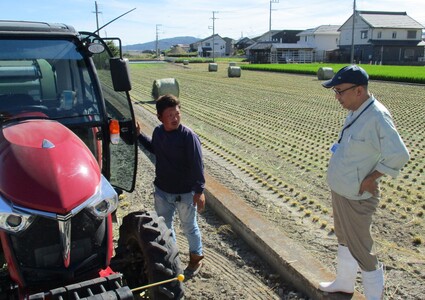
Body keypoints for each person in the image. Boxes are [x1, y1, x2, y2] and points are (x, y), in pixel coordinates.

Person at [319, 65, 409, 299]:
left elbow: (399, 154)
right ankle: (344, 283)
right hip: (342, 190)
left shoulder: (377, 116)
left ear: (358, 90)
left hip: (357, 196)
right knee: (344, 238)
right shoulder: (357, 109)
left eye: (340, 91)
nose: (337, 97)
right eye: (335, 91)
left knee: (363, 250)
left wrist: (371, 178)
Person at [137, 94, 206, 277]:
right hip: (162, 191)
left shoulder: (188, 137)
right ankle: (173, 260)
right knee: (165, 229)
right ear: (160, 117)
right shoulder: (159, 132)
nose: (175, 118)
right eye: (170, 115)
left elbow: (197, 164)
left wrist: (199, 191)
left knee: (189, 227)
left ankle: (195, 259)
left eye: (177, 114)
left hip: (184, 193)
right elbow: (154, 149)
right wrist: (139, 136)